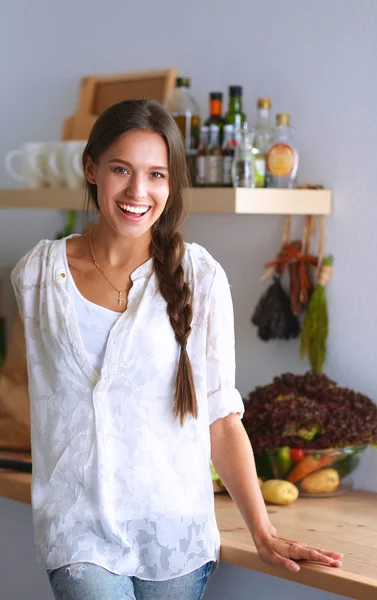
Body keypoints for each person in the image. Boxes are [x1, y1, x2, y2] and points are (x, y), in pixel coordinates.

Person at [11, 99, 343, 600]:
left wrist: (263, 531)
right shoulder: (38, 276)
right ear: (91, 169)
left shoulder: (201, 278)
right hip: (77, 529)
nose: (137, 192)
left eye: (156, 175)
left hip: (175, 533)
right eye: (121, 169)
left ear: (171, 183)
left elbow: (221, 417)